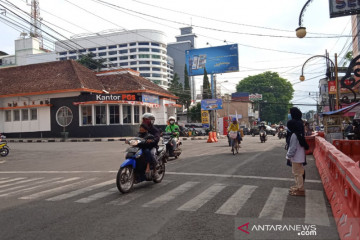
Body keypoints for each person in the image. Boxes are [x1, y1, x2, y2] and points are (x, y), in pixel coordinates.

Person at [286, 107, 309, 196]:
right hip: (298, 157)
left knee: (298, 173)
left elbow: (292, 148)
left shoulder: (294, 135)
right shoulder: (299, 134)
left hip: (296, 157)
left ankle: (300, 189)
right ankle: (298, 186)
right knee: (296, 172)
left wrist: (288, 156)